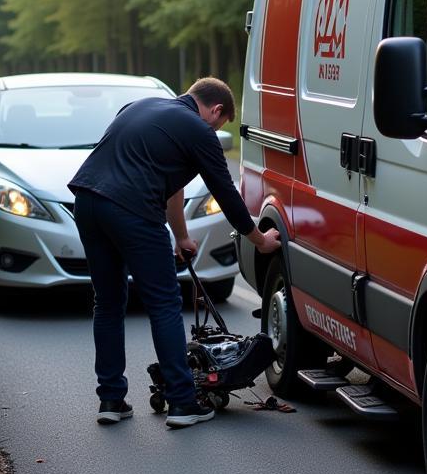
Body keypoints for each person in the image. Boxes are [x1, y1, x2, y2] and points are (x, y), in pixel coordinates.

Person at [68, 77, 281, 429]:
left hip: (87, 201)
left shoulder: (141, 107)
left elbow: (172, 188)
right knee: (164, 303)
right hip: (132, 209)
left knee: (107, 302)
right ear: (216, 111)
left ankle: (111, 399)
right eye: (219, 122)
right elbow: (226, 193)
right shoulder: (199, 130)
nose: (215, 128)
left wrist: (181, 236)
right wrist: (259, 240)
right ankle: (182, 403)